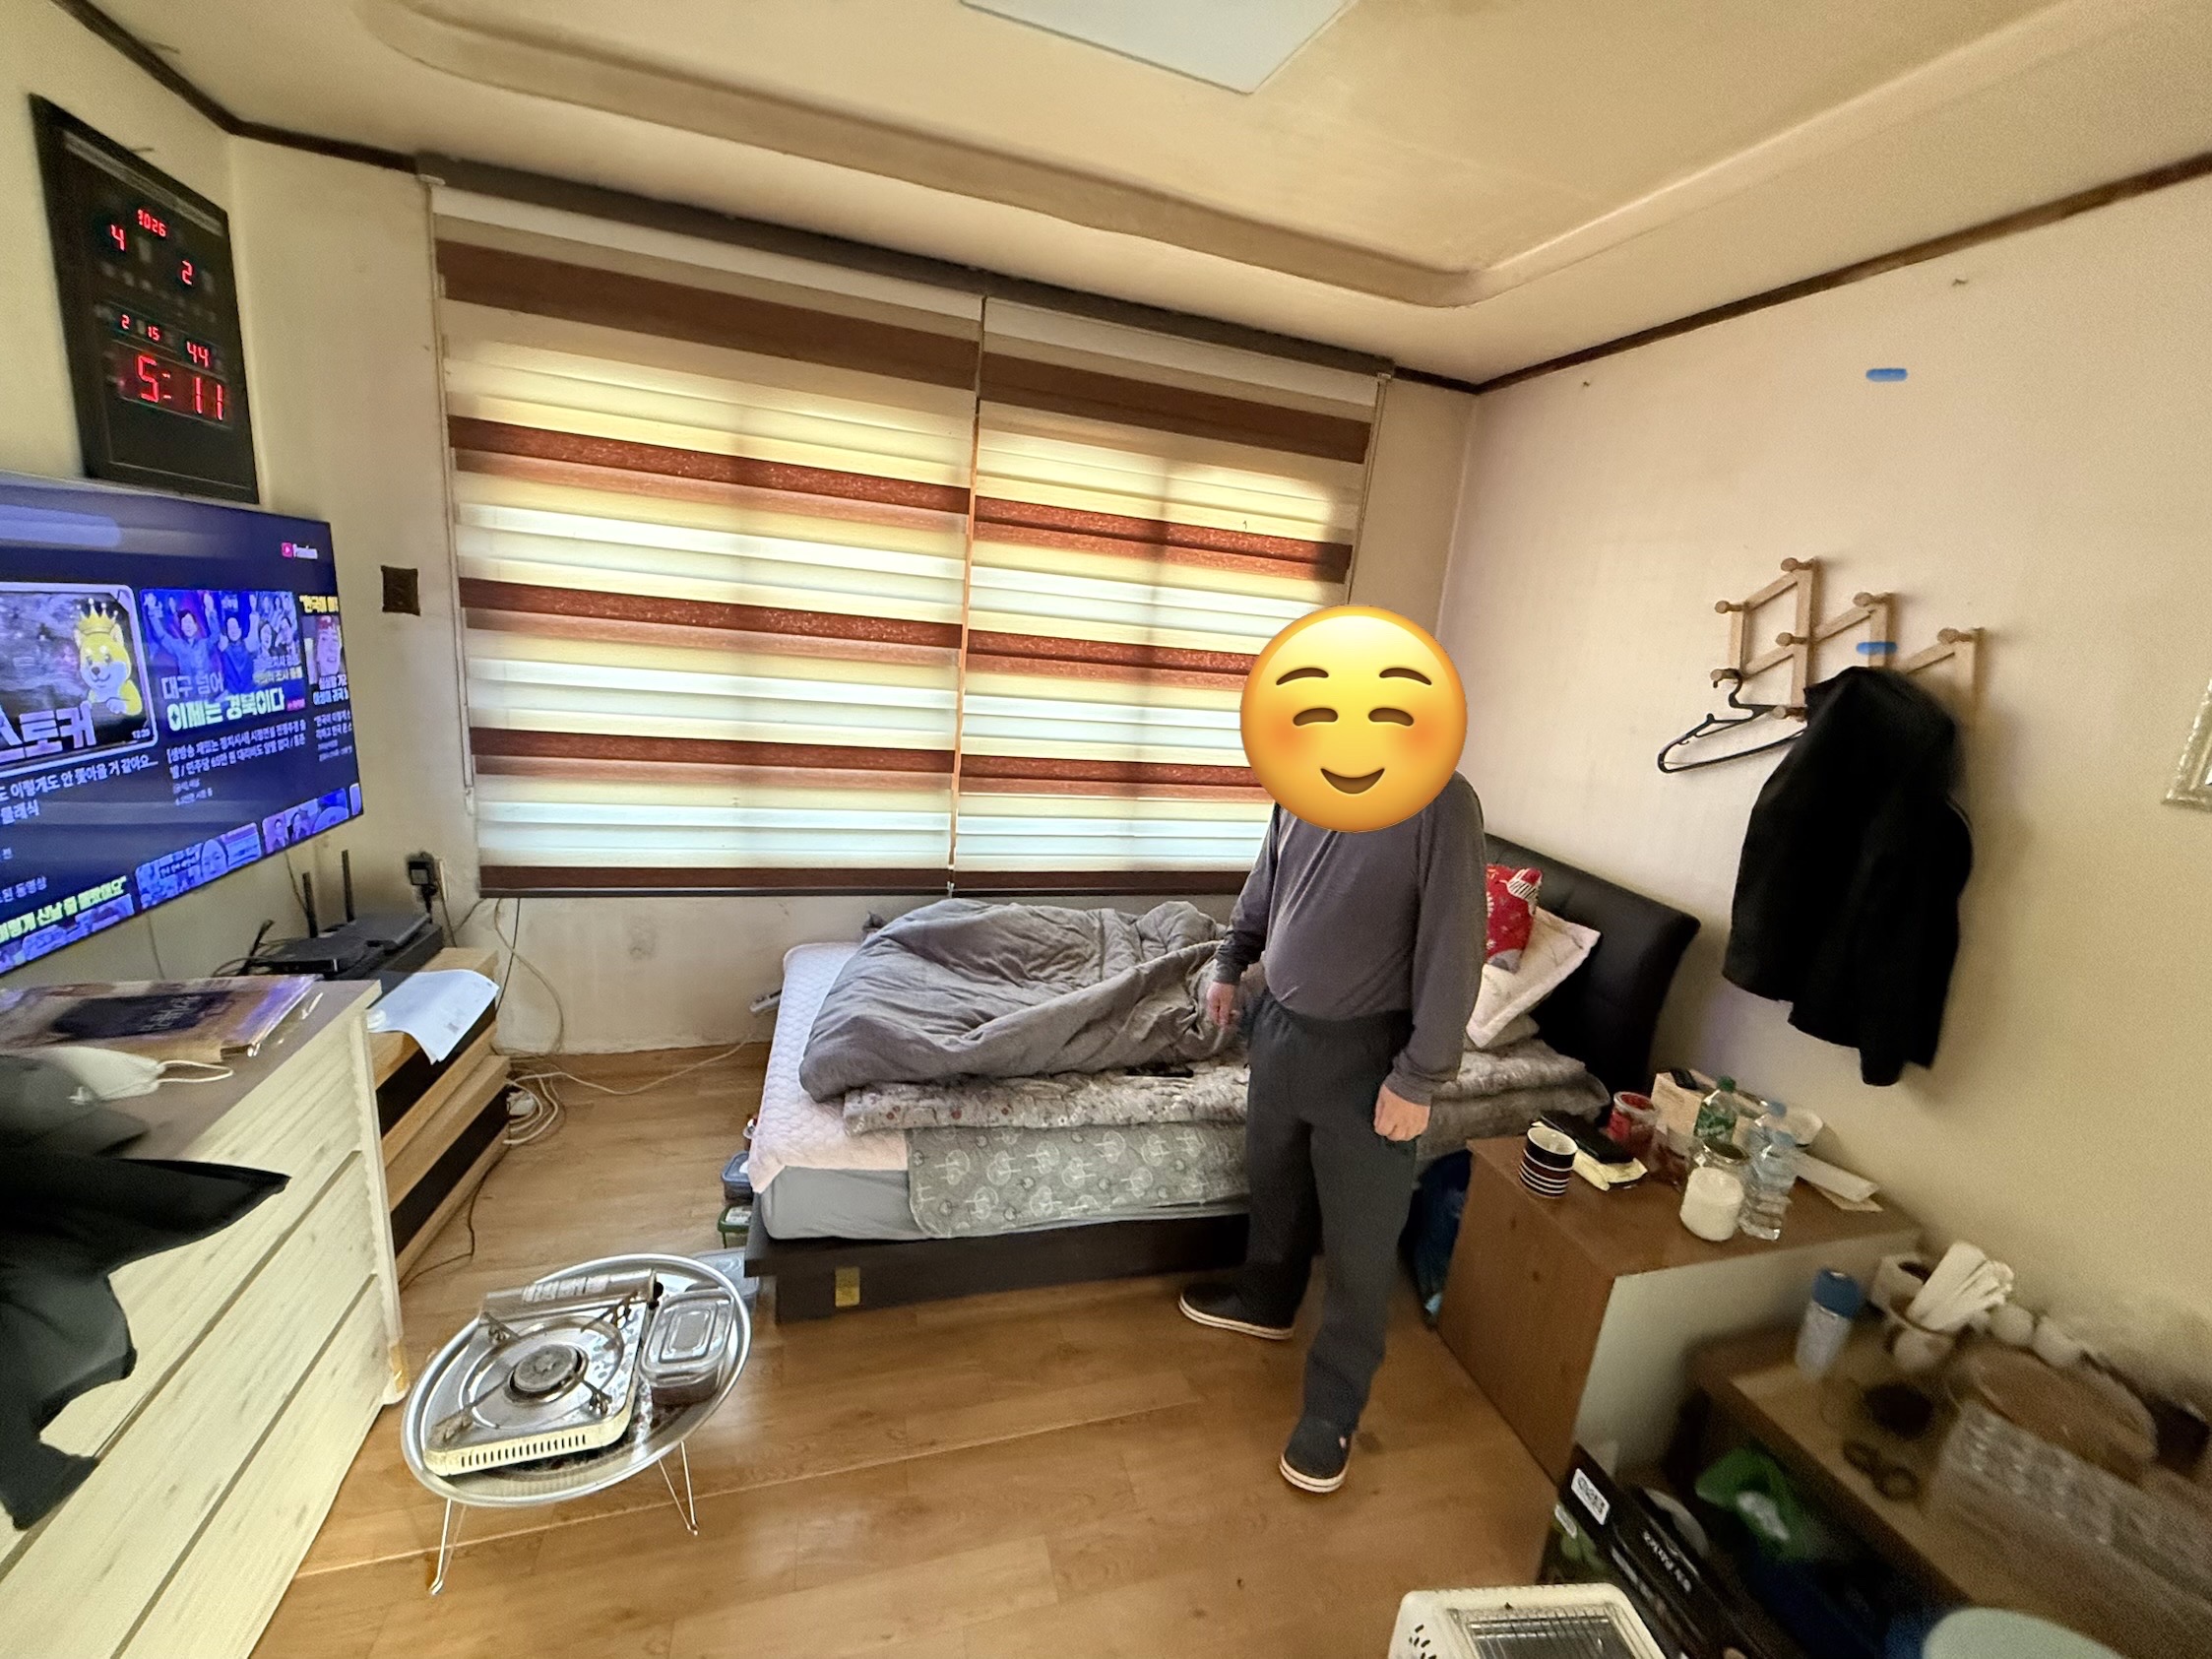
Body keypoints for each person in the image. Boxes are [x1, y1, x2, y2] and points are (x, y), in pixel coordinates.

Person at [1178, 773, 1485, 1494]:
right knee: (1274, 1181)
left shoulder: (1439, 802)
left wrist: (1418, 1077)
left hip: (1368, 1054)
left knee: (1359, 1245)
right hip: (1281, 1029)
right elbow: (1267, 883)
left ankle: (1333, 1406)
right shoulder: (1303, 783)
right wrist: (1229, 963)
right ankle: (1266, 1300)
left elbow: (1454, 944)